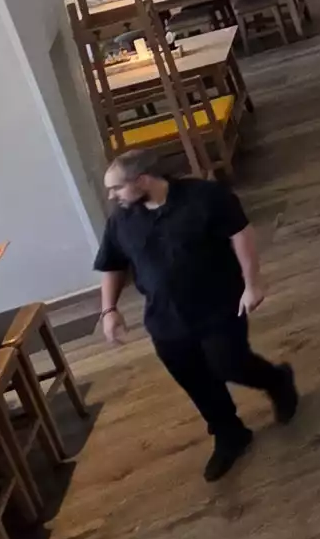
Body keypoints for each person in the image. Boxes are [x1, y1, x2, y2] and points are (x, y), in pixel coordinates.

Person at [94, 152, 299, 480]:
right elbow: (112, 263)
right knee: (195, 379)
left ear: (142, 180)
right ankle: (229, 433)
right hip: (165, 318)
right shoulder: (121, 219)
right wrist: (109, 310)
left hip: (218, 304)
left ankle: (276, 380)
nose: (111, 196)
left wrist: (252, 283)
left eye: (116, 188)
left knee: (228, 363)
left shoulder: (204, 197)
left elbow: (240, 233)